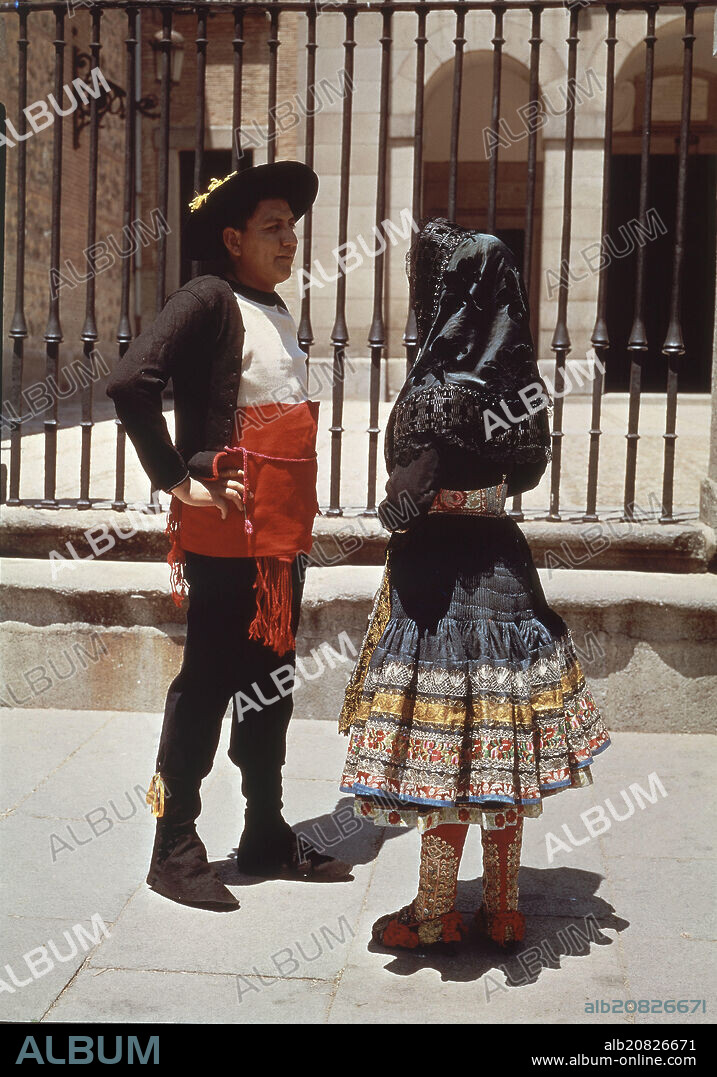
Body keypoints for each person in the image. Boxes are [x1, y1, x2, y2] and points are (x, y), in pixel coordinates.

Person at [338, 217, 611, 950]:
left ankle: (432, 914)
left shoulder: (435, 391)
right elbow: (522, 473)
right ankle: (504, 909)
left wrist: (401, 502)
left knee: (445, 764)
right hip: (507, 578)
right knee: (500, 751)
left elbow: (402, 498)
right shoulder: (522, 392)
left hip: (439, 594)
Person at [107, 161, 351, 911]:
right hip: (226, 535)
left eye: (291, 226)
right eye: (273, 227)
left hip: (279, 540)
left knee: (269, 683)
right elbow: (129, 381)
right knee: (207, 681)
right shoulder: (207, 297)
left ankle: (265, 832)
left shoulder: (271, 305)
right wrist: (180, 481)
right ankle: (171, 844)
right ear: (232, 237)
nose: (290, 238)